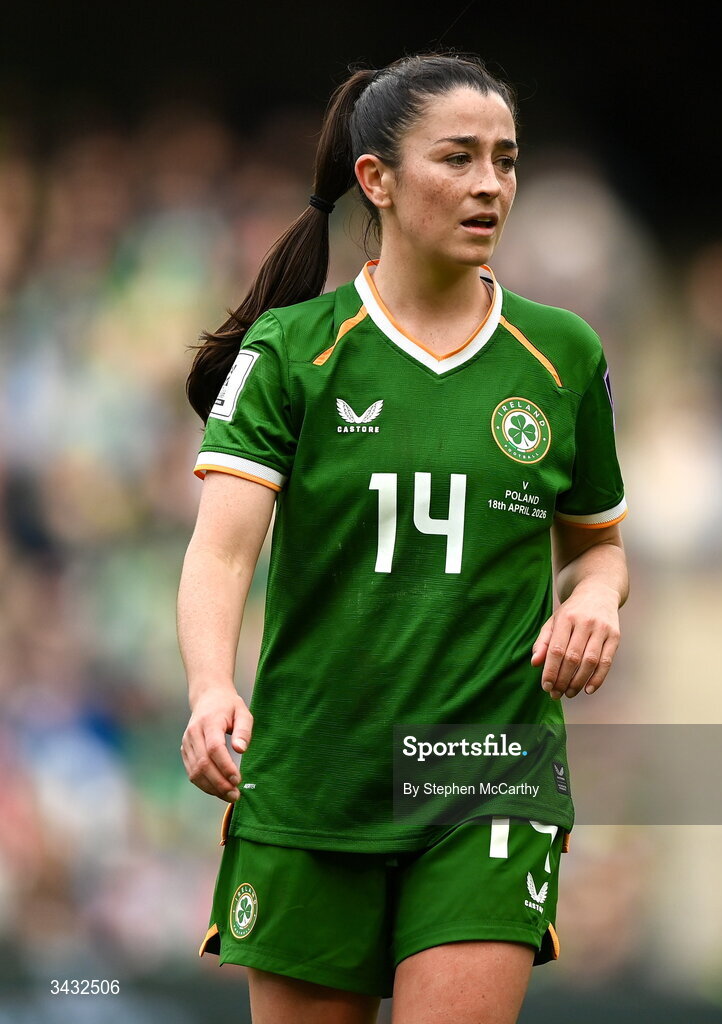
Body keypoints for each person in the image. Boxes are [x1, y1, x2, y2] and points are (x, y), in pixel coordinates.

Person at [178, 52, 629, 1024]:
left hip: (485, 777)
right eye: (457, 157)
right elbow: (221, 552)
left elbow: (596, 542)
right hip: (314, 780)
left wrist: (593, 593)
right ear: (374, 179)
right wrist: (212, 684)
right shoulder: (294, 351)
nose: (488, 184)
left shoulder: (561, 353)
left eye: (505, 161)